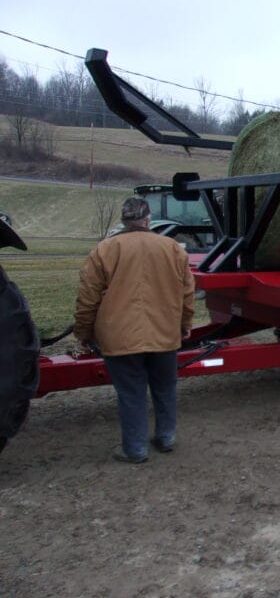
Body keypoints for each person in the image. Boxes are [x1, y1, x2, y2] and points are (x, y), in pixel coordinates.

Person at [74, 197, 195, 463]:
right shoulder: (172, 248)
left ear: (124, 220)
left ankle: (135, 449)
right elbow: (187, 292)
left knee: (131, 393)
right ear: (148, 219)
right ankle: (166, 437)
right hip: (164, 334)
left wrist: (83, 333)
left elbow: (87, 298)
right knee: (165, 387)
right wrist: (185, 324)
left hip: (120, 337)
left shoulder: (105, 250)